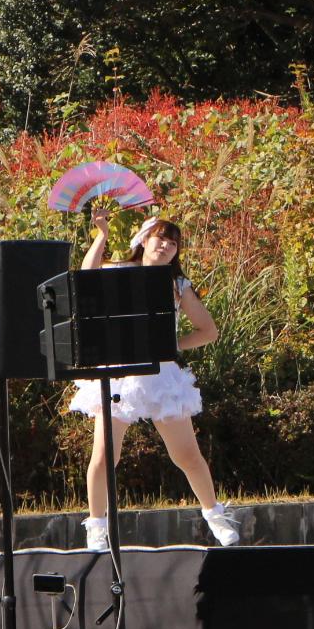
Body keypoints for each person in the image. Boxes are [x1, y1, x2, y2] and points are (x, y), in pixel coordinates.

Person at [67, 207, 241, 550]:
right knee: (104, 456)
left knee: (187, 455)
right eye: (160, 238)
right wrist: (101, 236)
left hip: (160, 375)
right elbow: (86, 277)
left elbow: (208, 331)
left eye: (173, 243)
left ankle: (215, 516)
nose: (165, 246)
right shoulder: (122, 271)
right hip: (118, 375)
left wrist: (171, 345)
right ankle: (97, 525)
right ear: (144, 240)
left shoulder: (176, 285)